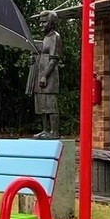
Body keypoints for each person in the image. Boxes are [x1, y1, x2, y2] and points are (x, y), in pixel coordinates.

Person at [26, 10, 63, 139]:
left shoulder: (55, 37)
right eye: (40, 23)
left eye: (44, 22)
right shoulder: (45, 38)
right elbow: (41, 54)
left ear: (52, 23)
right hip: (40, 73)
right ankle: (45, 130)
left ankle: (54, 131)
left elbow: (54, 59)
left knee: (51, 104)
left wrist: (45, 76)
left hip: (49, 76)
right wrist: (33, 59)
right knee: (42, 105)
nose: (41, 25)